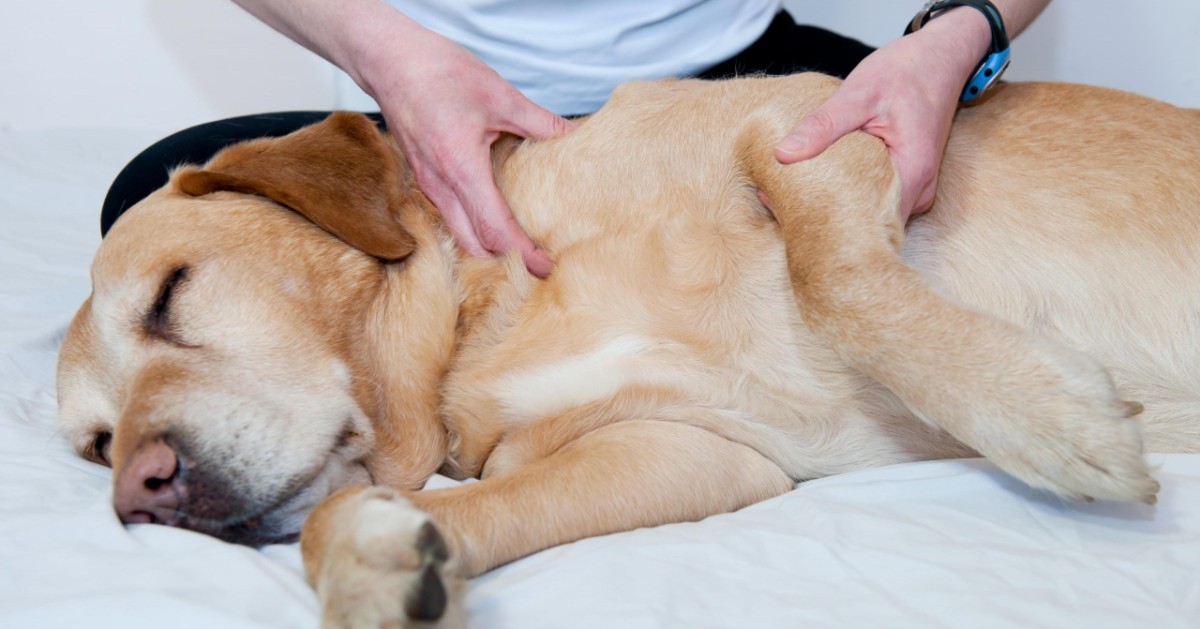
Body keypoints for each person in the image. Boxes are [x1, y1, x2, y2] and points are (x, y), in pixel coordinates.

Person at [101, 0, 1050, 278]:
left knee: (1041, 185)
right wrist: (384, 52)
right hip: (447, 108)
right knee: (154, 206)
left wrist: (957, 37)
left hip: (739, 81)